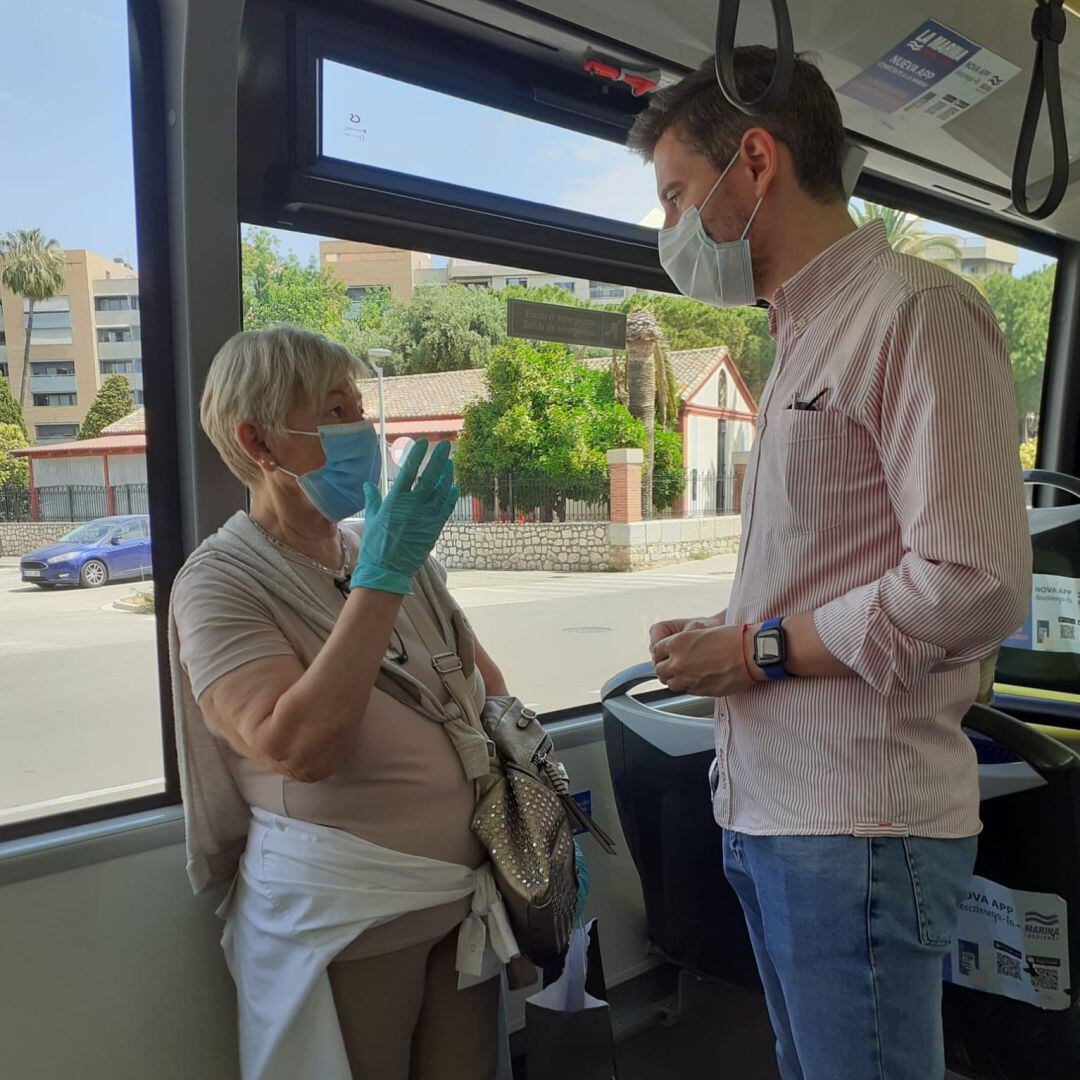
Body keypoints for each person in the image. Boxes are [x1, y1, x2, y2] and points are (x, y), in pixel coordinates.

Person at [630, 48, 1031, 1079]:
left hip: (857, 822)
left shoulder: (914, 313)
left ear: (754, 161)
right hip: (774, 807)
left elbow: (972, 581)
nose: (671, 229)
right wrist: (733, 640)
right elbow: (836, 561)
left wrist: (758, 650)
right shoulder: (798, 338)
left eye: (677, 196)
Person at [168, 325, 518, 1080]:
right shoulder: (219, 582)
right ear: (259, 442)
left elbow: (485, 688)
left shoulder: (380, 546)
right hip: (342, 915)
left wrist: (534, 815)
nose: (362, 425)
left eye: (359, 404)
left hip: (461, 897)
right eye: (334, 409)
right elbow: (297, 748)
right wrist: (384, 577)